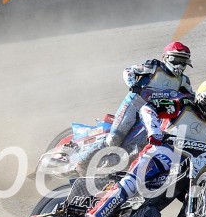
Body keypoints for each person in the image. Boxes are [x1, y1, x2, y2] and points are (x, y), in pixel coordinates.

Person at [73, 80, 206, 217]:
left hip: (187, 167)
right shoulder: (183, 104)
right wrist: (154, 131)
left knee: (196, 197)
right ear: (202, 99)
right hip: (160, 153)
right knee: (131, 184)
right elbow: (148, 108)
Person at [75, 41, 195, 175]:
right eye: (175, 59)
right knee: (113, 139)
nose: (179, 64)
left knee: (141, 148)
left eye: (183, 61)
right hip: (134, 106)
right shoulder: (153, 67)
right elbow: (128, 70)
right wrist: (133, 84)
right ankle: (82, 161)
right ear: (166, 57)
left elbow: (191, 97)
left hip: (156, 114)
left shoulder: (183, 81)